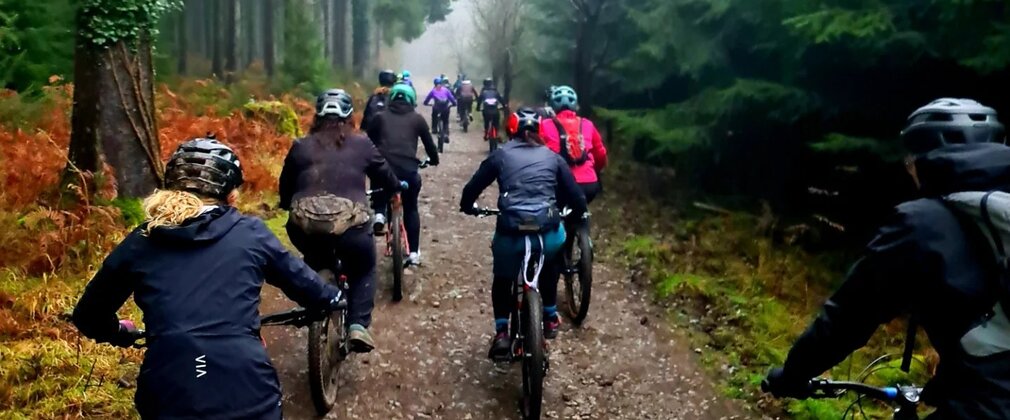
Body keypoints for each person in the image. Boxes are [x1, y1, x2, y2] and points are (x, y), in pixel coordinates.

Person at [763, 98, 1010, 419]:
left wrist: (794, 374)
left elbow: (850, 316)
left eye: (909, 159)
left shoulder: (922, 223)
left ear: (922, 158)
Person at [72, 137, 343, 419]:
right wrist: (331, 298)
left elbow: (88, 315)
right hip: (247, 391)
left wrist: (118, 332)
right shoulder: (250, 233)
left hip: (168, 391)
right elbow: (304, 284)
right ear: (231, 195)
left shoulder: (141, 241)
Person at [280, 89, 404, 352]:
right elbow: (384, 174)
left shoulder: (300, 146)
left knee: (315, 259)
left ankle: (316, 291)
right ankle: (358, 325)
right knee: (363, 267)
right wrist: (395, 189)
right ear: (350, 117)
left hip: (305, 226)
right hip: (351, 227)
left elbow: (285, 186)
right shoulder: (362, 144)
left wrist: (284, 203)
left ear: (317, 116)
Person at [459, 107, 588, 359]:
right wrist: (574, 211)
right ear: (539, 131)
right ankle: (550, 316)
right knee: (550, 263)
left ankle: (501, 333)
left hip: (511, 234)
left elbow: (471, 189)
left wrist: (468, 207)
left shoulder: (500, 155)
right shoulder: (553, 157)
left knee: (503, 278)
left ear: (511, 129)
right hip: (547, 232)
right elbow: (577, 197)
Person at [367, 83, 440, 266]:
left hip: (383, 169)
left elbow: (368, 142)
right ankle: (414, 253)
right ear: (412, 100)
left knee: (378, 173)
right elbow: (430, 146)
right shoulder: (417, 119)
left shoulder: (379, 117)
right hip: (408, 170)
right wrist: (433, 160)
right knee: (411, 208)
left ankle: (379, 213)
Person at [539, 85, 608, 204]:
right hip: (588, 184)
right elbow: (601, 154)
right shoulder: (587, 124)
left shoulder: (544, 125)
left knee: (554, 211)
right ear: (575, 105)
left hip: (557, 183)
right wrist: (594, 170)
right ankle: (582, 218)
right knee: (579, 212)